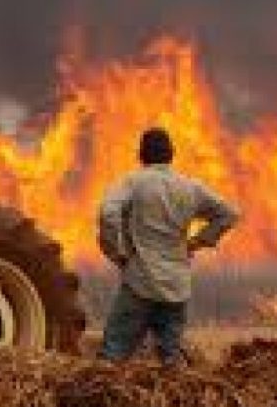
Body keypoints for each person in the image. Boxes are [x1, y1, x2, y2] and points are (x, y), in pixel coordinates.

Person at [98, 127, 239, 365]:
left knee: (112, 356)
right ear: (171, 154)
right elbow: (229, 214)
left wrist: (117, 252)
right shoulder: (191, 187)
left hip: (140, 283)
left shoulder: (134, 182)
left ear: (141, 154)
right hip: (177, 286)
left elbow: (108, 213)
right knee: (171, 362)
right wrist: (198, 241)